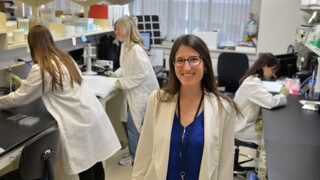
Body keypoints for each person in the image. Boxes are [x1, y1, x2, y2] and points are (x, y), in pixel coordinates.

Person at [0, 25, 121, 180]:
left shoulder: (42, 68)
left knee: (87, 172)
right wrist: (25, 82)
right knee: (97, 166)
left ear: (32, 46)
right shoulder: (64, 58)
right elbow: (50, 84)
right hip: (91, 115)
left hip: (79, 123)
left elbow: (19, 98)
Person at [132, 34, 241, 180]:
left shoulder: (224, 109)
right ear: (173, 65)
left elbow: (225, 167)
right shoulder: (157, 101)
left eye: (194, 59)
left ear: (206, 64)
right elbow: (143, 155)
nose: (186, 67)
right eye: (180, 60)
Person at [105, 16, 159, 166]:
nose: (116, 31)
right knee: (126, 122)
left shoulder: (136, 49)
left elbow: (142, 74)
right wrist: (117, 74)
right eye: (115, 28)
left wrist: (122, 83)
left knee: (134, 126)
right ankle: (133, 151)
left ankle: (136, 157)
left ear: (127, 29)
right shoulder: (124, 46)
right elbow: (126, 67)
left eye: (118, 28)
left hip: (141, 93)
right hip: (131, 92)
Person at [234, 53, 289, 144]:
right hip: (241, 129)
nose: (273, 74)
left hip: (245, 121)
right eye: (272, 70)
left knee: (272, 129)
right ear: (264, 66)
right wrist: (283, 95)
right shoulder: (252, 83)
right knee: (272, 136)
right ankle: (264, 158)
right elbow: (270, 102)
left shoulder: (254, 79)